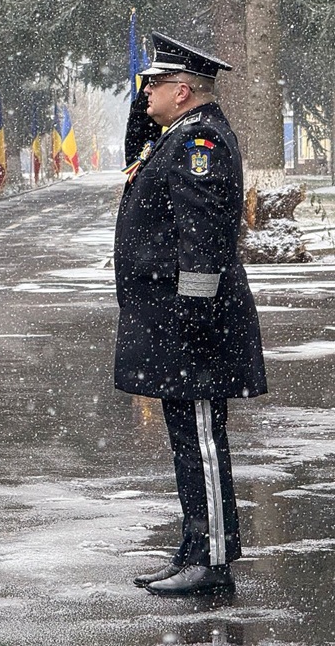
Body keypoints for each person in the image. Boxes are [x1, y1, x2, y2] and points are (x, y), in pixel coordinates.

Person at [114, 32, 267, 596]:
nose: (145, 92)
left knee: (201, 443)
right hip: (175, 323)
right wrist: (145, 105)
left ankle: (214, 558)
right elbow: (135, 148)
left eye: (153, 84)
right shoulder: (176, 135)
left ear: (182, 91)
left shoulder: (200, 142)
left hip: (192, 325)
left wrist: (195, 319)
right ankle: (194, 547)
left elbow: (204, 241)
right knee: (187, 442)